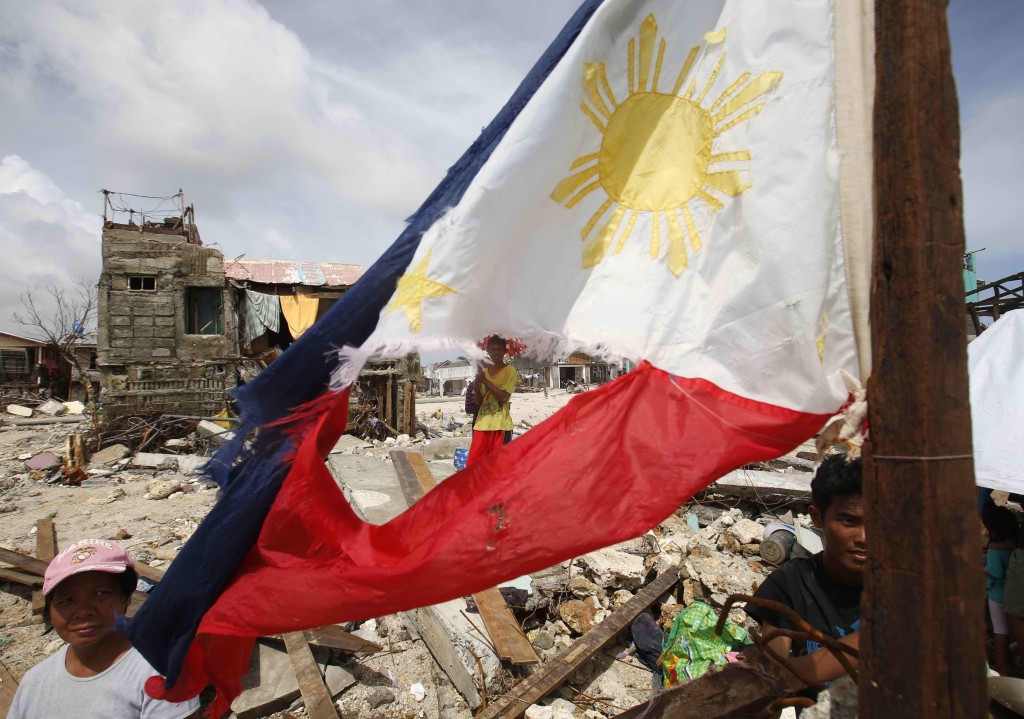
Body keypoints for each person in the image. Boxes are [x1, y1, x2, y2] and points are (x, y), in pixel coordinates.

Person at [8, 539, 200, 719]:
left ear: (126, 598)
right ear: (50, 609)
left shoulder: (159, 671)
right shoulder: (34, 682)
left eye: (100, 594)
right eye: (67, 600)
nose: (83, 611)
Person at [747, 454, 864, 689]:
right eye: (849, 521)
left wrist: (784, 676)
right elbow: (774, 671)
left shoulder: (904, 584)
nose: (863, 538)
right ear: (817, 517)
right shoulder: (789, 585)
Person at [468, 336, 517, 466]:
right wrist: (477, 388)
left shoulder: (510, 371)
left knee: (499, 466)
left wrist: (485, 381)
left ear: (505, 352)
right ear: (487, 351)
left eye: (500, 349)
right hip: (481, 424)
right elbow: (479, 403)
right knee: (475, 465)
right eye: (493, 349)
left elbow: (504, 397)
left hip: (500, 425)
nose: (496, 352)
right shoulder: (484, 372)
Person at [983, 505, 1019, 676]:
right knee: (1014, 629)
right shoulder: (1014, 544)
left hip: (997, 595)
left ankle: (1002, 667)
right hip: (1014, 595)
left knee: (1000, 630)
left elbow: (994, 572)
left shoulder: (994, 547)